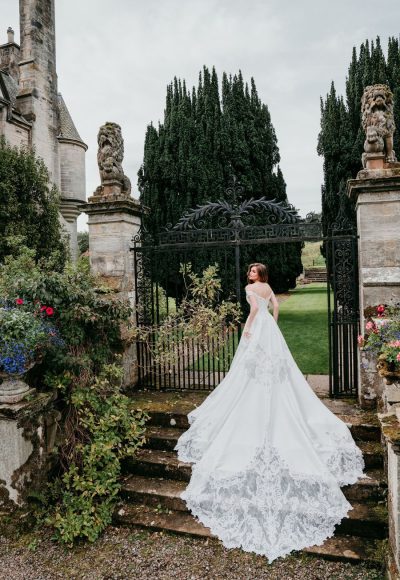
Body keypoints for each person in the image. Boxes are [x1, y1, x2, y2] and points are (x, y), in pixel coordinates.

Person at [174, 262, 365, 562]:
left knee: (250, 371)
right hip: (271, 331)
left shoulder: (251, 290)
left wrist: (248, 330)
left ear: (257, 275)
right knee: (276, 372)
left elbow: (252, 312)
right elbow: (276, 307)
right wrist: (272, 323)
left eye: (251, 271)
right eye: (249, 271)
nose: (248, 275)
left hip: (257, 329)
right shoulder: (268, 288)